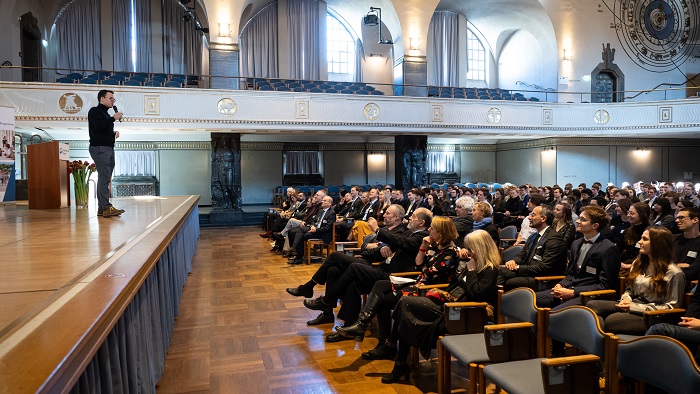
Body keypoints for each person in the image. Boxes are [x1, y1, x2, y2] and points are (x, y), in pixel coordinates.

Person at [376, 230, 500, 383]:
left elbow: (477, 294)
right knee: (405, 308)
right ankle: (398, 360)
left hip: (463, 314)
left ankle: (393, 350)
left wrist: (472, 271)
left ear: (480, 248)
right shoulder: (471, 264)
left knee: (405, 304)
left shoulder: (490, 270)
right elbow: (455, 286)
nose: (467, 251)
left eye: (470, 248)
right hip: (450, 305)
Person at [587, 227, 685, 335]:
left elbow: (671, 307)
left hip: (651, 316)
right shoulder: (638, 263)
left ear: (658, 244)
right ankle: (602, 346)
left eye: (645, 239)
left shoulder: (674, 273)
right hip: (631, 305)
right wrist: (626, 298)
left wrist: (632, 307)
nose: (639, 242)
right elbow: (629, 289)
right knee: (592, 306)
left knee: (611, 320)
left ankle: (603, 347)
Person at [536, 205, 620, 311]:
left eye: (583, 220)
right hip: (570, 289)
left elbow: (605, 285)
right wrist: (561, 284)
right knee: (530, 299)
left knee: (556, 313)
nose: (577, 222)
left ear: (595, 225)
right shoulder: (576, 244)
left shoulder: (609, 248)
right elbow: (571, 274)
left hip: (591, 296)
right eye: (579, 218)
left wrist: (573, 292)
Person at [498, 204, 568, 291]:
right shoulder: (533, 236)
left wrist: (518, 267)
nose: (529, 217)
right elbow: (522, 255)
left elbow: (545, 268)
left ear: (543, 218)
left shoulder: (555, 239)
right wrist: (513, 261)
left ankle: (493, 301)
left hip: (543, 279)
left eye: (533, 215)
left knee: (509, 282)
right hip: (529, 272)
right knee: (498, 271)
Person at [88, 89, 124, 217]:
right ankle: (107, 207)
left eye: (113, 99)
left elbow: (102, 129)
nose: (112, 101)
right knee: (104, 178)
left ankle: (101, 208)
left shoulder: (106, 115)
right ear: (101, 99)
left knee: (105, 177)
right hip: (100, 148)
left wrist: (113, 133)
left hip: (107, 147)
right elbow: (98, 126)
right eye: (110, 98)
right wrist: (113, 118)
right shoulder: (94, 111)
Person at [618, 202, 651, 272]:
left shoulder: (650, 232)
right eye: (628, 212)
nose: (628, 215)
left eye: (632, 213)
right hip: (625, 265)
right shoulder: (627, 231)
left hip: (644, 267)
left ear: (643, 215)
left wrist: (632, 266)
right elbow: (618, 249)